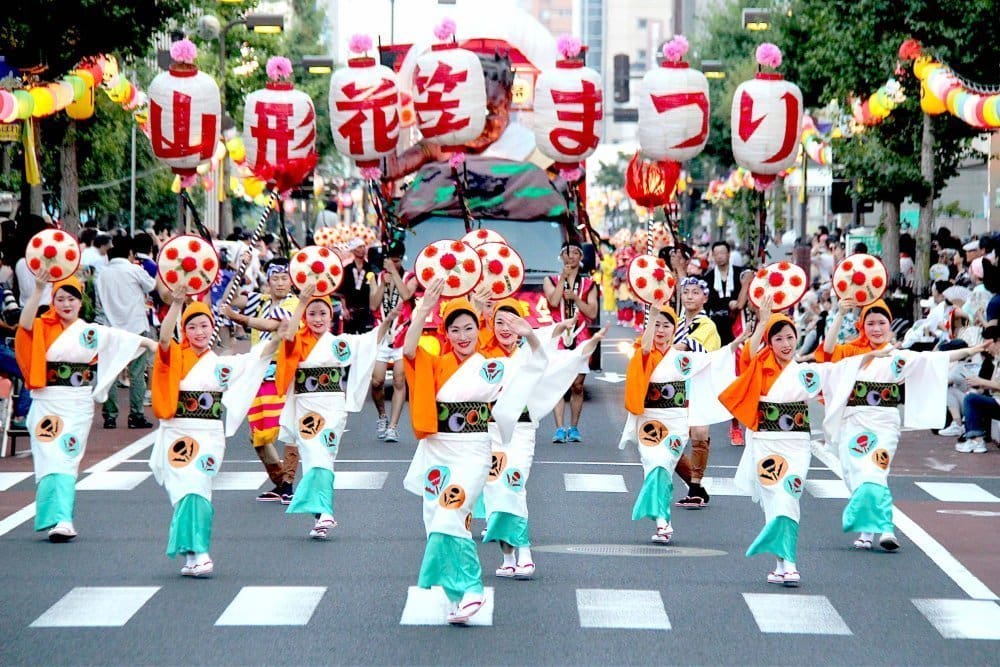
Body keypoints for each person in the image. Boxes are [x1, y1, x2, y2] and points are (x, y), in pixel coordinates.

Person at [401, 279, 527, 624]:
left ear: (478, 329)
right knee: (438, 522)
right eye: (455, 329)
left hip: (473, 452)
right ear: (446, 333)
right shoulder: (435, 362)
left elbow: (526, 366)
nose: (462, 335)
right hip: (436, 453)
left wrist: (523, 331)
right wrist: (423, 310)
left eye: (468, 328)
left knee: (449, 512)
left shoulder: (489, 364)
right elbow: (410, 351)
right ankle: (459, 596)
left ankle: (473, 589)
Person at [819, 298, 981, 551]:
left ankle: (885, 528)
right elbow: (827, 351)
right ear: (862, 326)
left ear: (889, 326)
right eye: (870, 323)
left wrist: (970, 351)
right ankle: (867, 530)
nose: (876, 328)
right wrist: (840, 314)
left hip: (885, 424)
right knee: (856, 475)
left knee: (876, 471)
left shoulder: (898, 357)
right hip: (853, 423)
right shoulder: (851, 353)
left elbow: (933, 359)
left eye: (881, 323)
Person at [15, 269, 152, 542]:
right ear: (53, 301)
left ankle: (62, 519)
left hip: (77, 403)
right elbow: (25, 324)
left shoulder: (89, 332)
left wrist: (154, 345)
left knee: (66, 458)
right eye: (61, 299)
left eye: (72, 299)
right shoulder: (42, 326)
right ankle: (52, 517)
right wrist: (40, 288)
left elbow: (124, 340)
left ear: (81, 302)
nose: (66, 304)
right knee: (48, 457)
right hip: (46, 402)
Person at [149, 285, 276, 576]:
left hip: (207, 435)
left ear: (212, 329)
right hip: (176, 432)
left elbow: (252, 360)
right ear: (185, 329)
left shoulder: (220, 365)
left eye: (204, 325)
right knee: (182, 492)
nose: (199, 332)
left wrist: (277, 339)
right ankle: (192, 555)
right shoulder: (174, 358)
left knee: (198, 487)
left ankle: (201, 551)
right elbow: (164, 338)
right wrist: (178, 302)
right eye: (192, 327)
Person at [481, 299, 605, 579]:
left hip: (521, 432)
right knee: (495, 493)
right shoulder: (482, 357)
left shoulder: (529, 353)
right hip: (489, 434)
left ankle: (524, 550)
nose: (505, 328)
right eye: (499, 322)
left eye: (512, 322)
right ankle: (507, 555)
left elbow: (558, 357)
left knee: (513, 485)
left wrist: (589, 342)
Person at [274, 284, 392, 539]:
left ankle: (321, 514)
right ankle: (323, 513)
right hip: (305, 407)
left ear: (331, 316)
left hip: (333, 408)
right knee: (314, 455)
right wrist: (302, 303)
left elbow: (368, 341)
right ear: (305, 316)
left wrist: (389, 319)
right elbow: (288, 337)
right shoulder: (298, 340)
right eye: (312, 314)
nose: (317, 319)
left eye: (322, 314)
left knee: (324, 456)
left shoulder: (339, 344)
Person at [622, 301, 741, 544]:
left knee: (665, 465)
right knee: (654, 465)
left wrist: (738, 343)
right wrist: (652, 315)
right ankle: (662, 521)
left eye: (666, 325)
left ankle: (661, 520)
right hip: (650, 421)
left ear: (674, 329)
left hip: (677, 421)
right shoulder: (643, 352)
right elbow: (645, 349)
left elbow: (713, 360)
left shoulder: (682, 358)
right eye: (656, 325)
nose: (661, 330)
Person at [224, 258, 300, 503]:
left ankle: (288, 481)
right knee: (257, 435)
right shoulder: (259, 301)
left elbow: (275, 324)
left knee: (287, 429)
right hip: (256, 373)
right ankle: (280, 482)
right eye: (275, 278)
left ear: (291, 280)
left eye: (284, 278)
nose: (280, 283)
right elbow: (229, 301)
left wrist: (239, 318)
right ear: (268, 280)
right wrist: (240, 271)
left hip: (283, 372)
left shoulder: (294, 303)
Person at [95, 237, 157, 429]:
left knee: (111, 372)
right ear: (129, 253)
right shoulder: (134, 270)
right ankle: (136, 415)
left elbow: (99, 302)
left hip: (110, 328)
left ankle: (110, 415)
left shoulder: (101, 275)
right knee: (137, 373)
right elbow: (152, 286)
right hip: (136, 328)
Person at [672, 277, 722, 508]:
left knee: (699, 434)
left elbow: (683, 347)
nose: (690, 296)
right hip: (677, 385)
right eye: (686, 292)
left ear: (704, 297)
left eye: (695, 292)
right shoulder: (675, 323)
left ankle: (694, 487)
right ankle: (697, 486)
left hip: (701, 384)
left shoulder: (706, 325)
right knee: (670, 440)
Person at [543, 240, 598, 443]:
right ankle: (559, 428)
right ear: (561, 256)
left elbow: (592, 312)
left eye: (576, 252)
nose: (572, 256)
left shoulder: (589, 284)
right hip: (558, 336)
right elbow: (554, 302)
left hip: (581, 336)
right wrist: (563, 279)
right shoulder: (549, 279)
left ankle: (574, 427)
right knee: (558, 382)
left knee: (577, 385)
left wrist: (575, 298)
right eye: (568, 252)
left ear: (581, 257)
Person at [368, 240, 416, 443]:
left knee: (398, 380)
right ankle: (382, 416)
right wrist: (383, 284)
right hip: (381, 333)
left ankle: (393, 427)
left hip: (402, 334)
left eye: (397, 260)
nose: (394, 264)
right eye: (390, 260)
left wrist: (394, 275)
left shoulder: (410, 277)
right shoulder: (375, 278)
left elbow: (406, 294)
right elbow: (373, 304)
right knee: (377, 381)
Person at [340, 238, 375, 335]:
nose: (363, 249)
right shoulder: (347, 269)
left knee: (366, 338)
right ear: (354, 250)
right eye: (360, 247)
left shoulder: (370, 268)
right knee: (349, 338)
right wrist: (344, 309)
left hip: (366, 311)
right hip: (351, 311)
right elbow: (343, 292)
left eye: (364, 246)